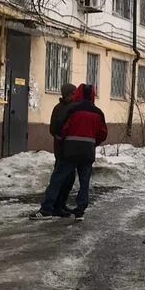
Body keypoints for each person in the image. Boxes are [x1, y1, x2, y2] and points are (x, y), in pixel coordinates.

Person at [31, 84, 108, 221]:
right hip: (87, 153)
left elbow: (62, 130)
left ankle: (47, 209)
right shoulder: (98, 112)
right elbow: (103, 134)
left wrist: (63, 143)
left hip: (70, 152)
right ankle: (80, 212)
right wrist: (92, 143)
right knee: (84, 183)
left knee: (57, 179)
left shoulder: (73, 110)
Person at [49, 83, 78, 217]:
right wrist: (62, 136)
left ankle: (61, 204)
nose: (74, 96)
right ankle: (54, 206)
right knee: (60, 179)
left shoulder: (72, 108)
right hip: (62, 150)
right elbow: (53, 130)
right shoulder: (59, 109)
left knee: (70, 179)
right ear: (67, 94)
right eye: (73, 93)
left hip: (70, 150)